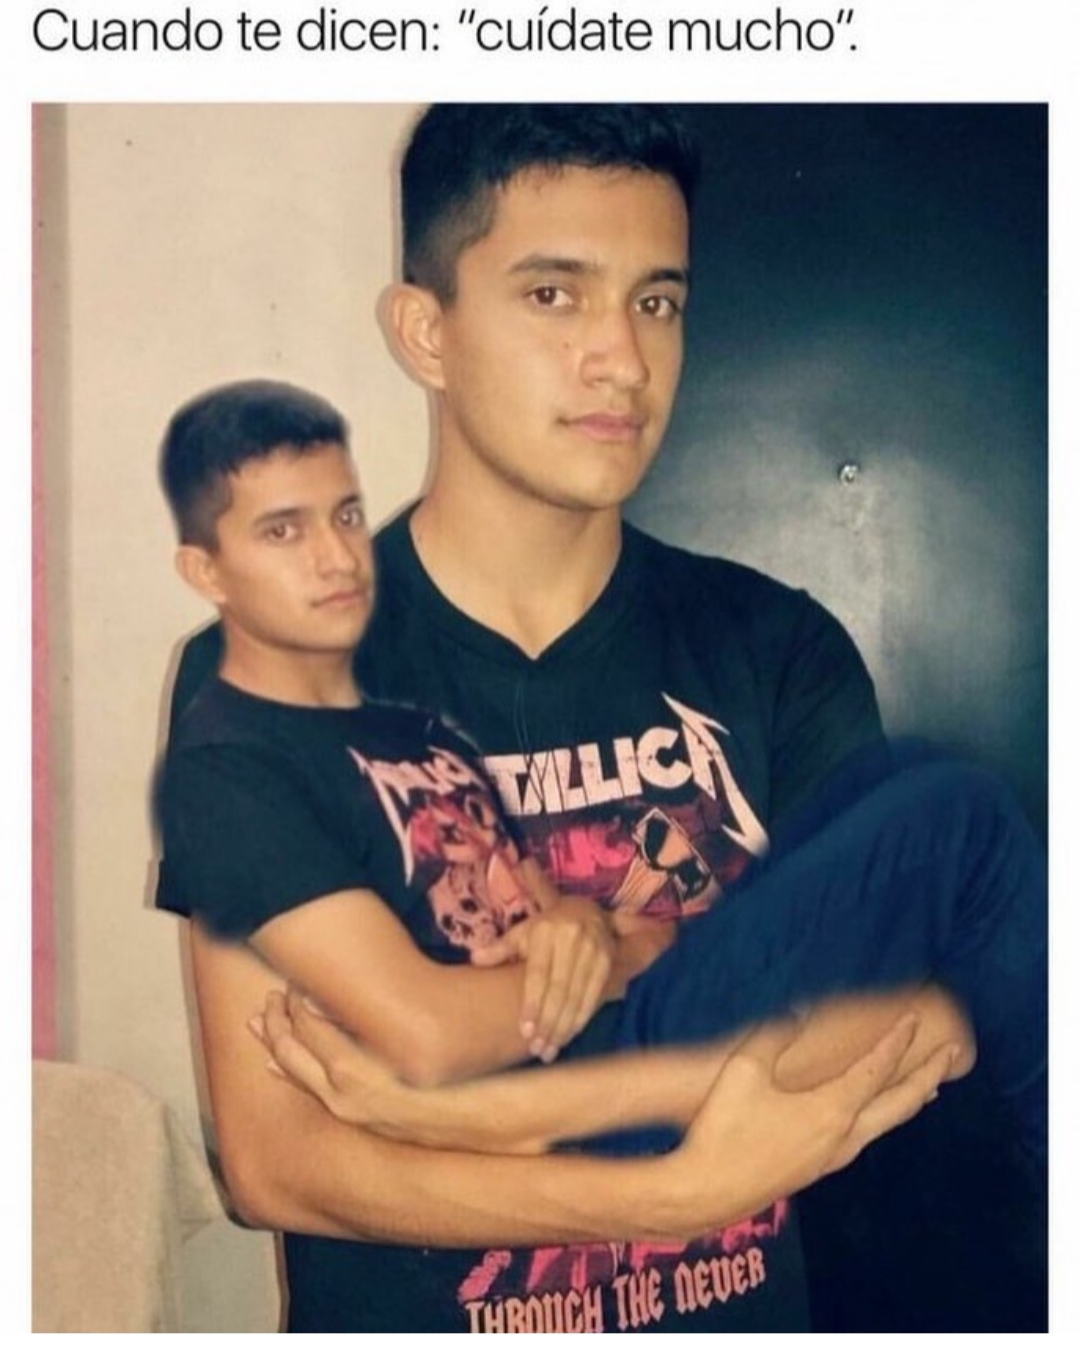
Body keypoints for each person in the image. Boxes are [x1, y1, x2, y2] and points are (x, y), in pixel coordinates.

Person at [158, 105, 1043, 1333]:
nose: (623, 359)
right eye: (554, 295)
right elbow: (278, 1158)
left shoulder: (777, 648)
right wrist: (679, 1181)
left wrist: (439, 1108)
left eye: (656, 301)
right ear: (426, 331)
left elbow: (908, 1020)